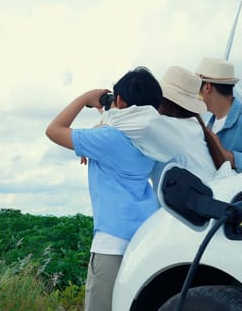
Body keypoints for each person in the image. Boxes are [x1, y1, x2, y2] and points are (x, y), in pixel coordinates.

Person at [45, 67, 163, 311]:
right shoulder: (153, 137)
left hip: (112, 243)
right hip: (146, 237)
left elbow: (54, 130)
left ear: (119, 100)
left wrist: (86, 99)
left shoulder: (108, 140)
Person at [101, 66, 222, 190]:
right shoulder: (194, 125)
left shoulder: (160, 126)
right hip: (213, 195)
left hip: (189, 205)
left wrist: (95, 102)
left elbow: (117, 121)